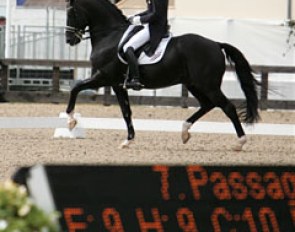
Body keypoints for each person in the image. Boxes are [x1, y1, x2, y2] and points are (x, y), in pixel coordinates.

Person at [123, 0, 169, 90]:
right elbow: (150, 11)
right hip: (151, 26)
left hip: (156, 28)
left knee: (127, 48)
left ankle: (135, 79)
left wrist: (139, 20)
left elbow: (156, 15)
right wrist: (135, 17)